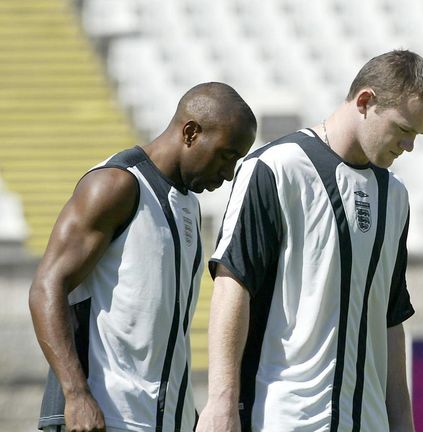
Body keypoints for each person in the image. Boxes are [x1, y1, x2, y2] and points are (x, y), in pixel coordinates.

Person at [196, 49, 423, 432]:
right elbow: (233, 285)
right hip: (284, 419)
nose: (409, 146)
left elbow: (390, 317)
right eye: (404, 129)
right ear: (365, 102)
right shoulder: (276, 168)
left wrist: (402, 422)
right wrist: (220, 403)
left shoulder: (395, 196)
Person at [29, 82, 258, 432]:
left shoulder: (189, 207)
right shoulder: (116, 185)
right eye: (226, 155)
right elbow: (47, 287)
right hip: (103, 417)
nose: (228, 174)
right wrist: (76, 394)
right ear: (191, 132)